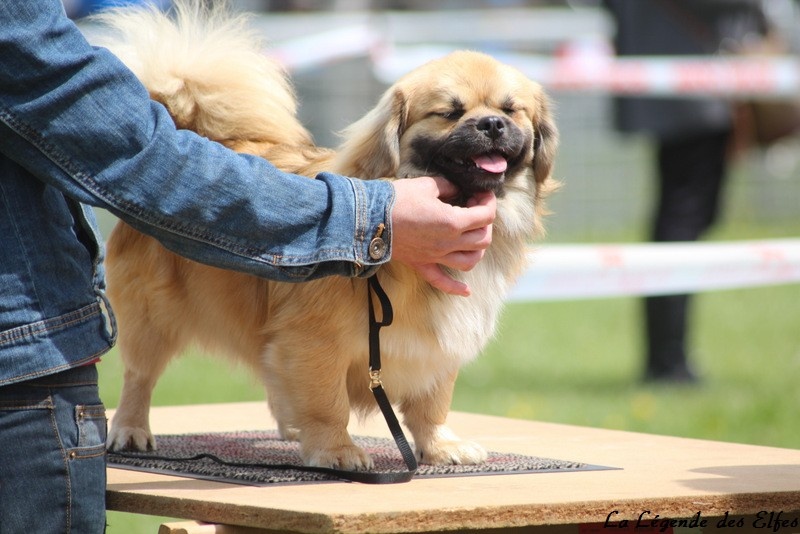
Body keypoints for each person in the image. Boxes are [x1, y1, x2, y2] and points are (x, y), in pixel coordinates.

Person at [0, 1, 496, 532]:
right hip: (23, 367)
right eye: (450, 113)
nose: (489, 124)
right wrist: (368, 220)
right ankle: (141, 398)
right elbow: (121, 140)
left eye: (510, 113)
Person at [602, 0, 769, 384]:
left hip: (677, 78)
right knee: (681, 222)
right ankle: (667, 359)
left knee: (684, 219)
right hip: (693, 88)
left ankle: (667, 355)